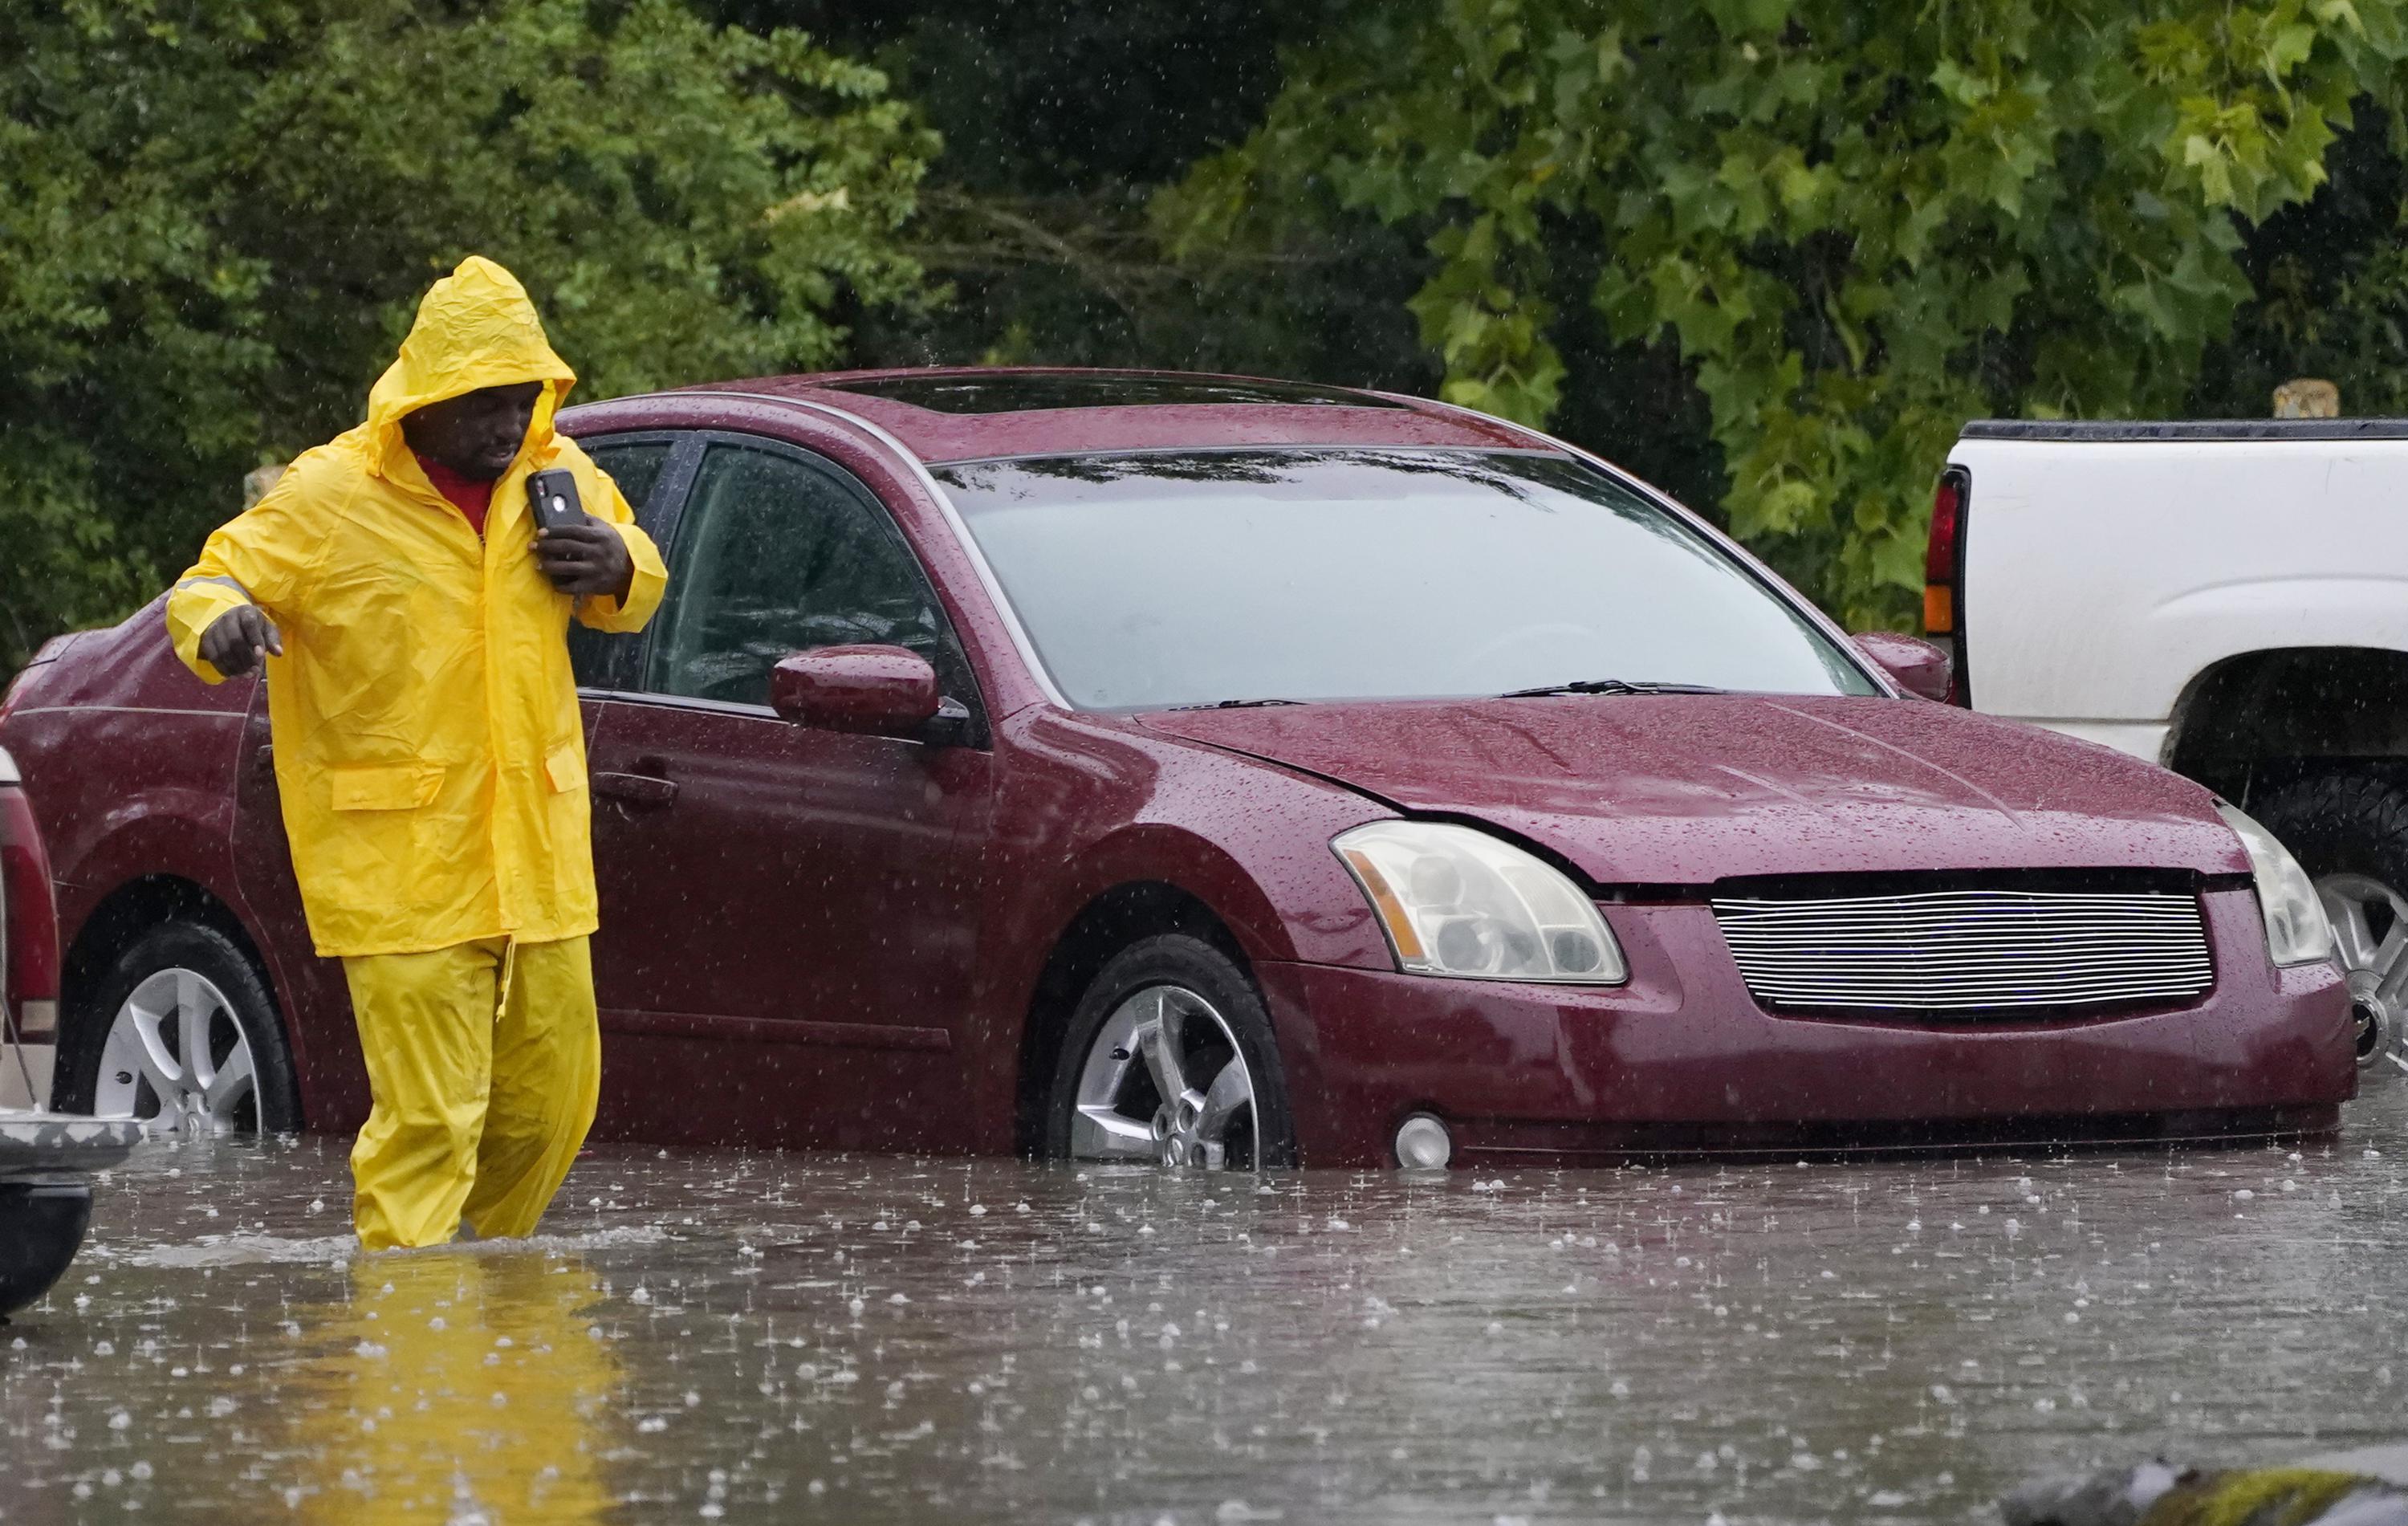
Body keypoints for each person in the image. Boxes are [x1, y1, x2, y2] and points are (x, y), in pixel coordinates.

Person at [165, 255, 667, 1251]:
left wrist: (619, 564)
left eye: (523, 399)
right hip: (402, 868)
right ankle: (413, 1350)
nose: (507, 422)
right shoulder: (332, 494)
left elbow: (635, 568)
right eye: (485, 403)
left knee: (557, 1098)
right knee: (431, 1120)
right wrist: (221, 624)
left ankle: (481, 1302)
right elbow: (210, 578)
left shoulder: (558, 474)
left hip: (537, 852)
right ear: (425, 400)